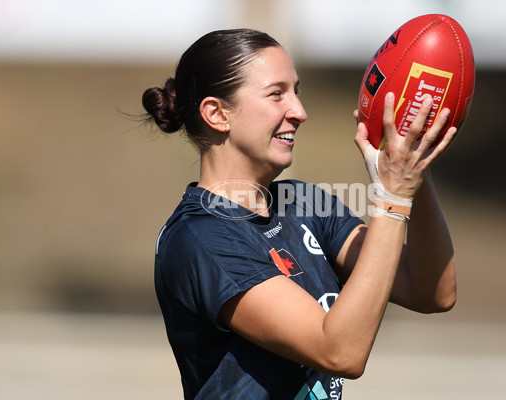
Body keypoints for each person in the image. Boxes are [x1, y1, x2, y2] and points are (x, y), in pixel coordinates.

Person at [142, 28, 457, 400]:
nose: (300, 112)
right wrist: (392, 198)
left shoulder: (303, 202)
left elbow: (431, 291)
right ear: (217, 113)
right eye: (277, 94)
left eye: (297, 91)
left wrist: (413, 160)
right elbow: (340, 352)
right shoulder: (202, 239)